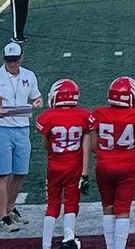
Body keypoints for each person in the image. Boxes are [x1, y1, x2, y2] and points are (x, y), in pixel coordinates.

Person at [0, 42, 43, 232]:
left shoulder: (29, 76)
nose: (13, 64)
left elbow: (36, 97)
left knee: (20, 172)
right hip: (1, 128)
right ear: (4, 59)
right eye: (9, 61)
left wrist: (38, 101)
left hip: (22, 128)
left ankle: (10, 207)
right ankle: (2, 217)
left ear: (21, 58)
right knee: (2, 173)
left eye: (15, 60)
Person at [36, 78, 93, 249]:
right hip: (74, 167)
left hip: (54, 166)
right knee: (71, 203)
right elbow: (87, 145)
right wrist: (85, 172)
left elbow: (46, 145)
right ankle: (68, 238)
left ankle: (46, 244)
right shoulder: (83, 116)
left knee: (52, 205)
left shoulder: (47, 116)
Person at [92, 76, 135, 249]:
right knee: (123, 209)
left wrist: (105, 155)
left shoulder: (98, 113)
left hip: (103, 164)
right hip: (126, 165)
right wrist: (132, 162)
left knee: (108, 206)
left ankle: (110, 246)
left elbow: (94, 145)